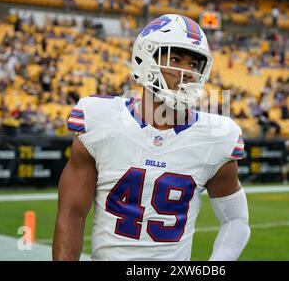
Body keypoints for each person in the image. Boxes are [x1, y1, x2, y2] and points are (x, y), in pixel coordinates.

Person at [53, 14, 251, 261]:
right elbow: (71, 213)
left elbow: (236, 220)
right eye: (176, 59)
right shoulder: (100, 118)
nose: (187, 72)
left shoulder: (217, 136)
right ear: (144, 59)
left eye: (193, 65)